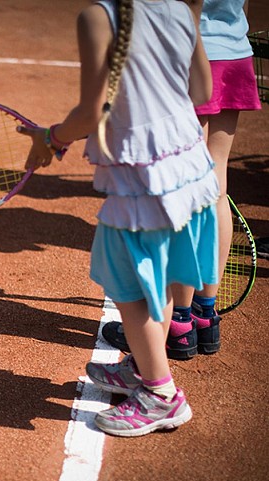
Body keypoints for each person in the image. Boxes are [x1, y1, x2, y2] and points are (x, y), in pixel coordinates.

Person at [18, 0, 216, 437]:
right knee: (160, 281)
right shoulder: (180, 8)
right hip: (190, 170)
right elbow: (201, 92)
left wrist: (50, 138)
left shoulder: (98, 16)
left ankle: (161, 396)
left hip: (141, 184)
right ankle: (145, 369)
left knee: (131, 294)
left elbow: (93, 113)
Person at [101, 0, 263, 359]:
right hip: (235, 49)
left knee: (185, 193)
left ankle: (179, 322)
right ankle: (206, 315)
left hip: (189, 56)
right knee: (215, 182)